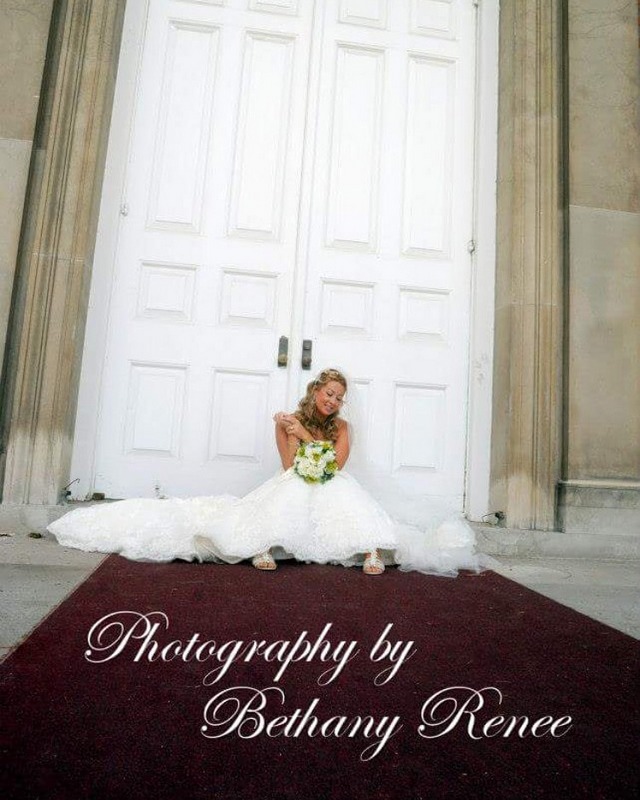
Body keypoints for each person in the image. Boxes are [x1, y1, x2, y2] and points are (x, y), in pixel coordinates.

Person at [48, 368, 484, 577]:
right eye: (329, 393)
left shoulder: (343, 429)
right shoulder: (286, 421)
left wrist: (307, 437)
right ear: (316, 390)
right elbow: (292, 466)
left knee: (342, 491)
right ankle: (261, 544)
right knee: (292, 490)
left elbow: (334, 466)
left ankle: (371, 548)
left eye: (339, 397)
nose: (333, 401)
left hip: (331, 480)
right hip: (297, 479)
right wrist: (294, 432)